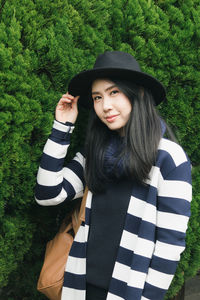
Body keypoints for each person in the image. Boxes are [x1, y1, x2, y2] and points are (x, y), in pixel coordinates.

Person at [35, 51, 192, 300]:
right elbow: (47, 193)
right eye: (97, 97)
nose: (105, 105)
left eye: (114, 92)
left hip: (128, 292)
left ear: (138, 93)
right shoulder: (95, 154)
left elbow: (170, 245)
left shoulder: (168, 158)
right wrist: (62, 127)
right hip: (79, 287)